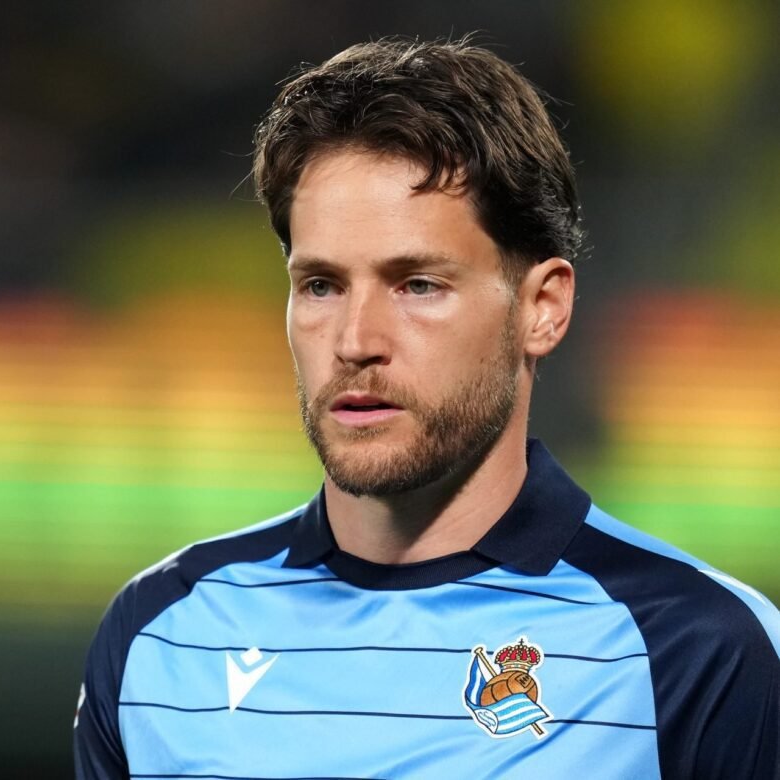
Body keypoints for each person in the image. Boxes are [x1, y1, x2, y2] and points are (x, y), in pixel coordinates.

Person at [73, 37, 780, 779]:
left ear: (542, 308)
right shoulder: (162, 633)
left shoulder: (699, 650)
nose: (356, 341)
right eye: (321, 285)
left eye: (418, 285)